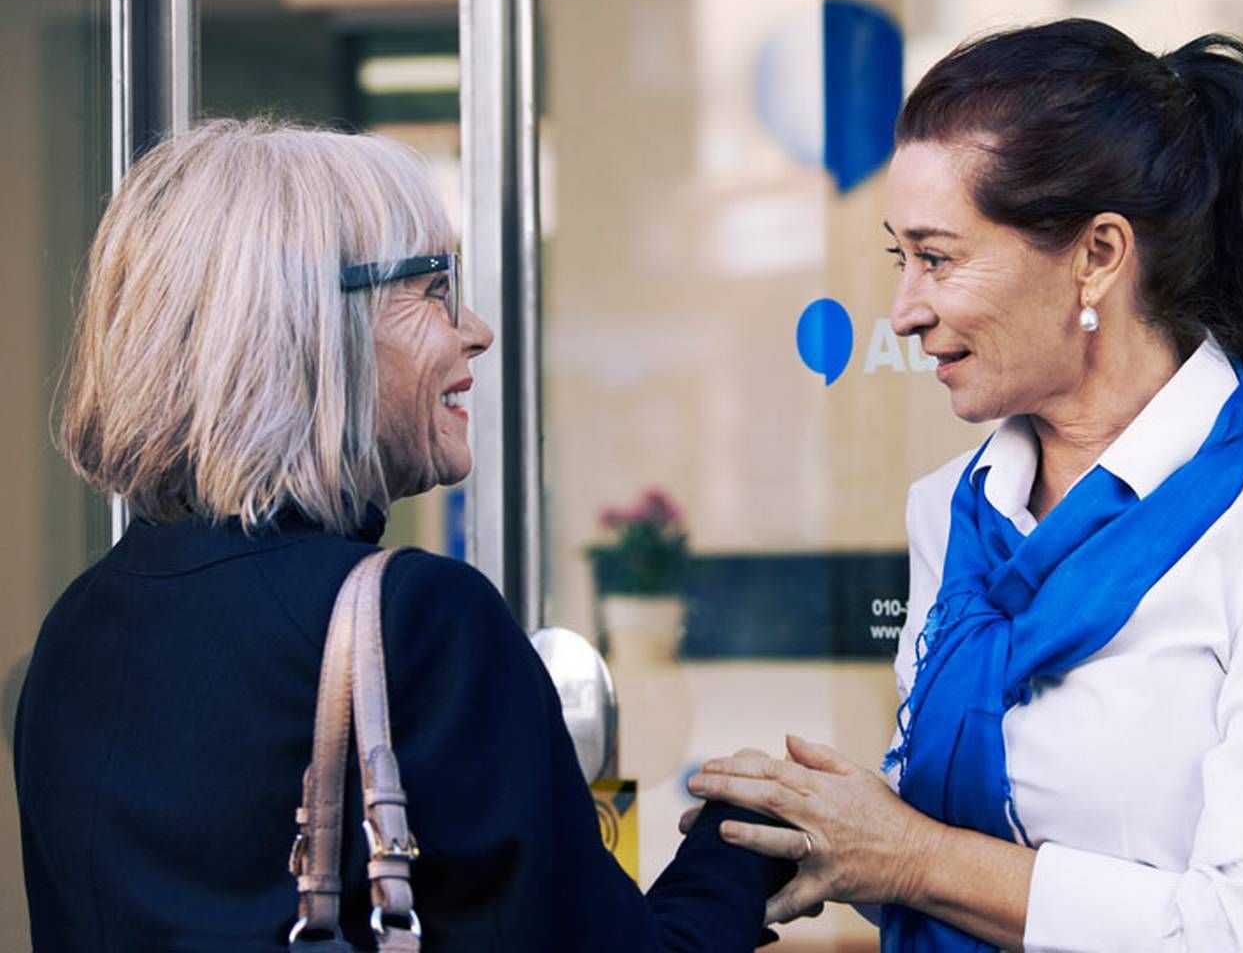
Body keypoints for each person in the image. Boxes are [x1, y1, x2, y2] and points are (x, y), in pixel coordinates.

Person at [685, 19, 1243, 951]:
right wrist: (825, 834)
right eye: (897, 258)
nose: (904, 310)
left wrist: (906, 855)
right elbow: (984, 864)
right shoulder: (955, 512)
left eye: (937, 257)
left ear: (1098, 255)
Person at [14, 119, 791, 951]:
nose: (477, 329)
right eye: (435, 287)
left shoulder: (74, 631)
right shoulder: (419, 623)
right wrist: (739, 850)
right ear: (313, 327)